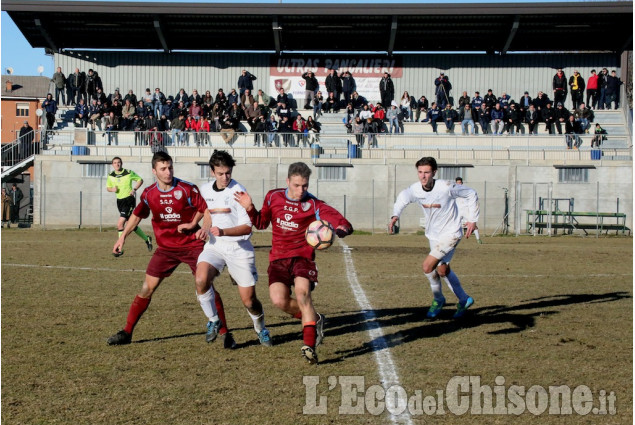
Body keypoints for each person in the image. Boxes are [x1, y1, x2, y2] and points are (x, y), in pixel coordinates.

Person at [107, 152, 233, 347]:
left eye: (170, 168)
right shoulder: (149, 193)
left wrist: (194, 224)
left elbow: (204, 208)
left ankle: (225, 334)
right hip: (166, 249)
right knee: (147, 288)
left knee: (206, 286)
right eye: (163, 169)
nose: (168, 172)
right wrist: (122, 237)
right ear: (154, 171)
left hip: (193, 246)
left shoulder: (186, 188)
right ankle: (127, 332)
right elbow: (137, 216)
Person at [235, 162, 353, 364]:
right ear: (287, 181)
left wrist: (338, 231)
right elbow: (262, 223)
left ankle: (309, 345)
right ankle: (314, 319)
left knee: (302, 294)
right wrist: (249, 208)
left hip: (302, 258)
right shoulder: (273, 196)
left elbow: (345, 224)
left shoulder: (314, 205)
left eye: (305, 186)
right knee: (279, 300)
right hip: (278, 259)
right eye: (297, 185)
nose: (301, 190)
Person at [195, 150, 272, 347]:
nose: (225, 177)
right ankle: (213, 320)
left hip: (239, 249)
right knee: (201, 279)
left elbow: (247, 227)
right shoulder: (205, 190)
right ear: (212, 172)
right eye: (220, 173)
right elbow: (208, 213)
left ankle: (261, 328)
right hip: (215, 246)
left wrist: (224, 231)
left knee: (249, 301)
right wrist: (204, 228)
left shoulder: (238, 192)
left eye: (228, 172)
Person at [389, 157, 478, 320]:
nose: (423, 176)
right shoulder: (415, 189)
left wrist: (473, 219)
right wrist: (395, 215)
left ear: (434, 173)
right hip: (433, 235)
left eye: (427, 172)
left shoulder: (446, 187)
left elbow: (471, 193)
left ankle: (439, 299)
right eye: (420, 172)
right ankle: (464, 299)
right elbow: (403, 198)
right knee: (442, 270)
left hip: (451, 234)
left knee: (427, 266)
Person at [106, 157, 152, 255]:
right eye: (115, 163)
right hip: (119, 201)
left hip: (128, 200)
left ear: (121, 163)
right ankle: (147, 239)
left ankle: (119, 248)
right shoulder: (111, 175)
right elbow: (108, 188)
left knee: (120, 224)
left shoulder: (128, 172)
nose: (117, 164)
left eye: (118, 162)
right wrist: (112, 189)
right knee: (130, 224)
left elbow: (140, 180)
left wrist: (134, 189)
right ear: (112, 165)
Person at [454, 177, 482, 244]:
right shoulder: (453, 191)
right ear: (456, 183)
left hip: (466, 210)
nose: (459, 184)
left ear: (462, 183)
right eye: (457, 183)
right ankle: (454, 239)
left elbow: (472, 199)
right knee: (454, 225)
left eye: (460, 182)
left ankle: (478, 239)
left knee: (473, 224)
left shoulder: (466, 190)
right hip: (458, 210)